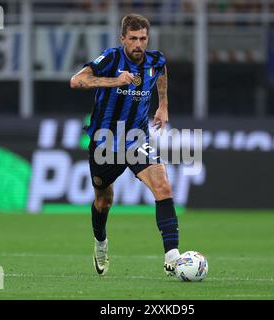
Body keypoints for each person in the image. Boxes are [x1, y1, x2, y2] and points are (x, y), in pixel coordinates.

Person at [70, 14, 180, 276]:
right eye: (133, 39)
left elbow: (161, 71)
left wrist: (162, 105)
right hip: (104, 142)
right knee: (103, 200)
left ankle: (172, 256)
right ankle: (100, 243)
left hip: (136, 139)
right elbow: (77, 80)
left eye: (142, 38)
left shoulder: (155, 60)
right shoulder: (111, 59)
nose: (138, 44)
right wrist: (114, 81)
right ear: (123, 39)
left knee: (163, 186)